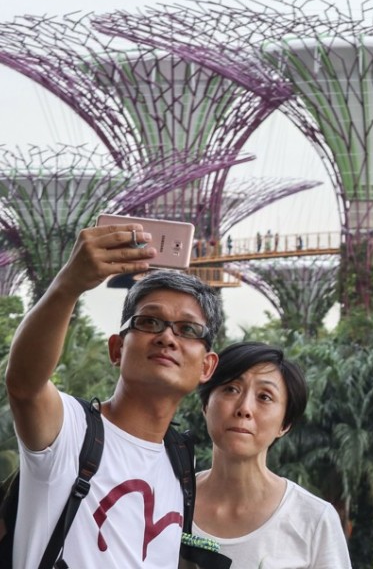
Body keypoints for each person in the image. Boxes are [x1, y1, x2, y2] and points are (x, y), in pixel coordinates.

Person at [5, 222, 222, 568]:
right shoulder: (71, 431)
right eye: (149, 322)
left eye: (187, 329)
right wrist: (69, 284)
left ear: (207, 367)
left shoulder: (182, 463)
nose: (168, 337)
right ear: (117, 348)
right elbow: (23, 384)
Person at [194, 342, 353, 568]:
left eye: (265, 397)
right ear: (205, 404)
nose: (244, 408)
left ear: (285, 424)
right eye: (231, 389)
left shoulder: (314, 520)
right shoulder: (166, 500)